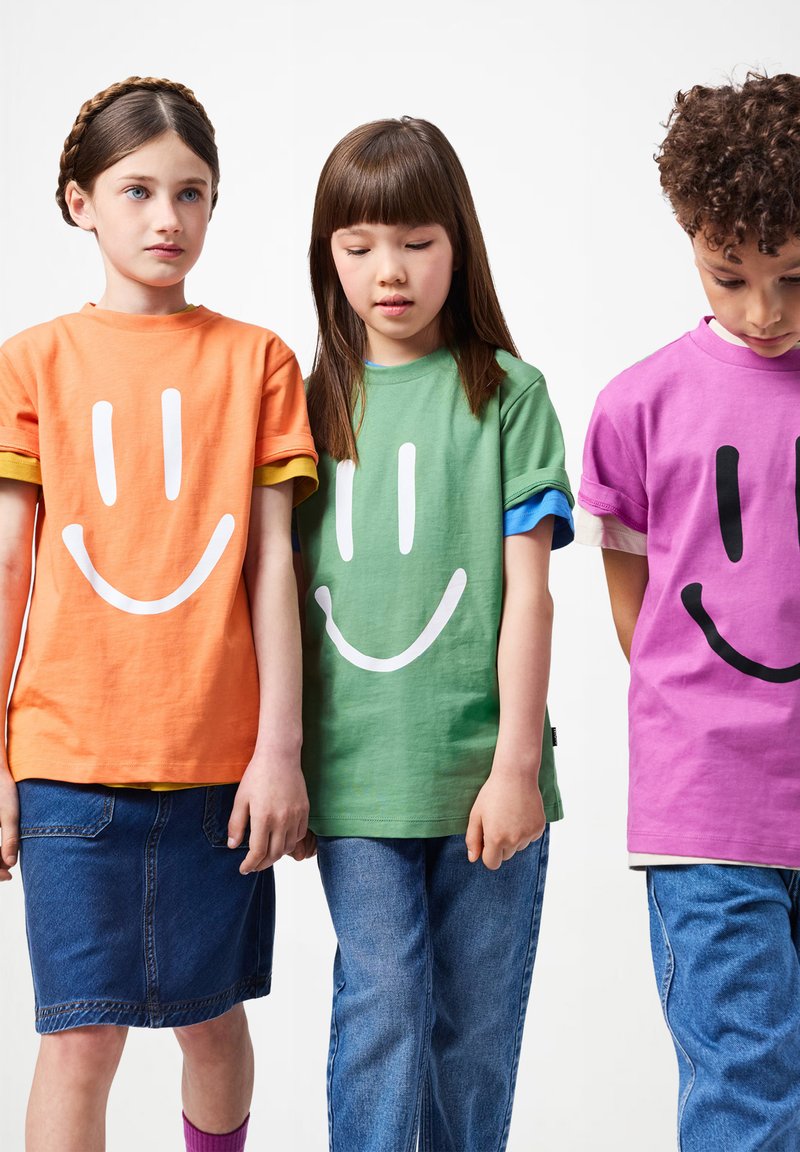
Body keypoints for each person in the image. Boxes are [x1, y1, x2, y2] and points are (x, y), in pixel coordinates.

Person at [0, 76, 317, 1152]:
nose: (166, 218)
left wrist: (279, 751)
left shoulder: (258, 361)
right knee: (77, 1038)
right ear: (81, 202)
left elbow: (273, 566)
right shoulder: (33, 362)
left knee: (211, 1021)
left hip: (218, 767)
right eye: (136, 191)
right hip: (67, 763)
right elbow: (7, 567)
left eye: (191, 194)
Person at [293, 116, 573, 1152]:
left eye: (416, 242)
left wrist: (514, 769)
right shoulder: (307, 407)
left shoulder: (507, 395)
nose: (390, 272)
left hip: (482, 778)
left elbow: (529, 595)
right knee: (386, 1008)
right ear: (327, 255)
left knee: (474, 1036)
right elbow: (277, 597)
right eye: (359, 245)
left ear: (458, 243)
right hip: (355, 777)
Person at [577, 70, 800, 1151]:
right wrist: (708, 716)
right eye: (730, 276)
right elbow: (639, 611)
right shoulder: (636, 406)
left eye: (794, 278)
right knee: (746, 1096)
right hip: (707, 811)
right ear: (688, 236)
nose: (763, 312)